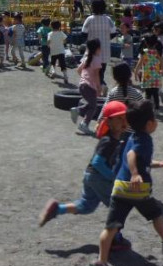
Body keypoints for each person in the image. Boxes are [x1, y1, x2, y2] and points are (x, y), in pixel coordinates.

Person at [89, 100, 163, 266]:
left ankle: (101, 262)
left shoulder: (130, 137)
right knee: (157, 215)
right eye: (155, 119)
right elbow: (132, 155)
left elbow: (139, 159)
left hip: (120, 188)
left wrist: (159, 164)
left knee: (110, 227)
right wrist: (135, 174)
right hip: (138, 190)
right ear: (150, 124)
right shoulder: (145, 140)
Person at [38, 101, 133, 252]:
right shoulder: (109, 141)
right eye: (118, 119)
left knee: (85, 206)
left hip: (91, 176)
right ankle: (114, 238)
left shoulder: (116, 140)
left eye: (124, 118)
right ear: (108, 121)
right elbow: (97, 162)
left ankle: (57, 209)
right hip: (98, 177)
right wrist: (113, 177)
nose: (123, 122)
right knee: (118, 206)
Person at [82, 0, 117, 94]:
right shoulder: (108, 19)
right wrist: (106, 38)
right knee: (101, 70)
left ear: (93, 7)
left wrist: (90, 39)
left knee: (92, 71)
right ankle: (102, 84)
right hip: (105, 50)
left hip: (92, 50)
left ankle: (100, 86)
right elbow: (114, 32)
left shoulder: (89, 19)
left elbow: (84, 33)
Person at [70, 38, 102, 135]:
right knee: (93, 106)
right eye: (100, 47)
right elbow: (96, 75)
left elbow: (79, 70)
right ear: (96, 49)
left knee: (92, 104)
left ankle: (77, 110)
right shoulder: (96, 60)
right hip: (89, 87)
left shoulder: (87, 57)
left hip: (83, 85)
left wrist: (84, 78)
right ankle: (84, 124)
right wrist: (99, 87)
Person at [134, 34, 163, 112]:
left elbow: (139, 64)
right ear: (156, 43)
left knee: (148, 94)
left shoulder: (144, 53)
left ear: (146, 43)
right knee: (155, 93)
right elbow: (161, 62)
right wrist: (162, 70)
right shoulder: (157, 52)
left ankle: (147, 109)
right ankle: (157, 108)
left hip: (147, 77)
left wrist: (135, 73)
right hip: (156, 77)